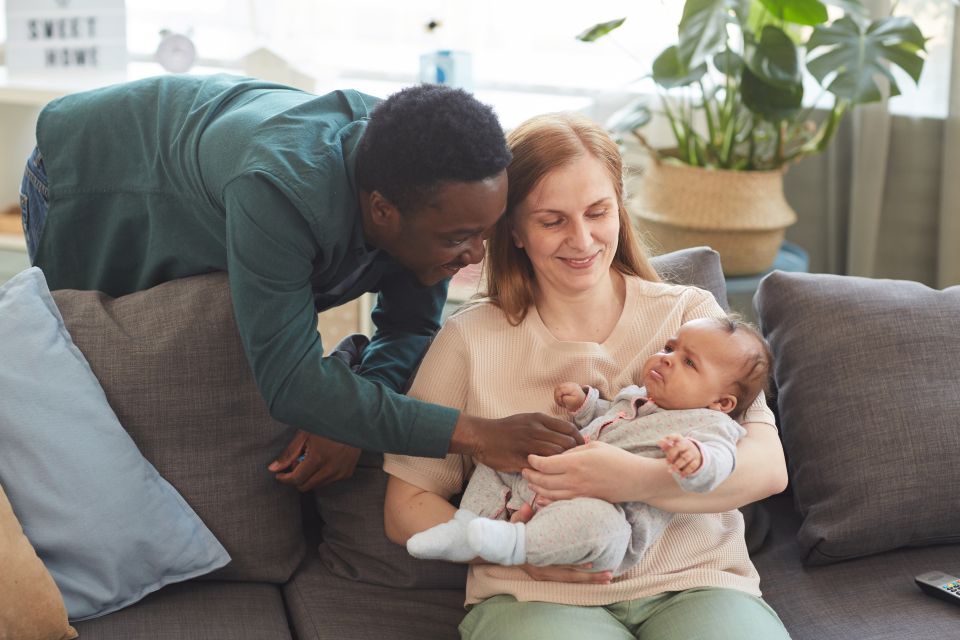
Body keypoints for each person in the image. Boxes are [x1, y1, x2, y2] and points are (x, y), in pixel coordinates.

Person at [18, 75, 583, 492]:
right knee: (81, 377)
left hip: (204, 162)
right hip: (90, 175)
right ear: (382, 210)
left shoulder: (428, 170)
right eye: (460, 237)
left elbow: (410, 325)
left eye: (486, 231)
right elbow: (291, 385)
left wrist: (353, 419)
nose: (477, 254)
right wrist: (478, 433)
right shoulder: (279, 191)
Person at [383, 112, 790, 639]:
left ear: (619, 206)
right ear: (515, 230)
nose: (583, 240)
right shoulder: (468, 340)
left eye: (598, 212)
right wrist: (521, 555)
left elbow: (767, 468)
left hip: (696, 582)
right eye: (552, 221)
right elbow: (406, 507)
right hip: (534, 595)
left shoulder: (691, 315)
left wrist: (633, 478)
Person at [405, 315, 772, 577]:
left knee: (598, 527)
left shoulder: (710, 427)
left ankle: (515, 543)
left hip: (609, 518)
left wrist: (697, 461)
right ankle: (467, 525)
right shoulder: (636, 397)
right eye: (670, 347)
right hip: (549, 479)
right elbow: (606, 417)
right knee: (501, 454)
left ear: (721, 403)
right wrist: (584, 403)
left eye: (689, 363)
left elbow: (724, 463)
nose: (667, 358)